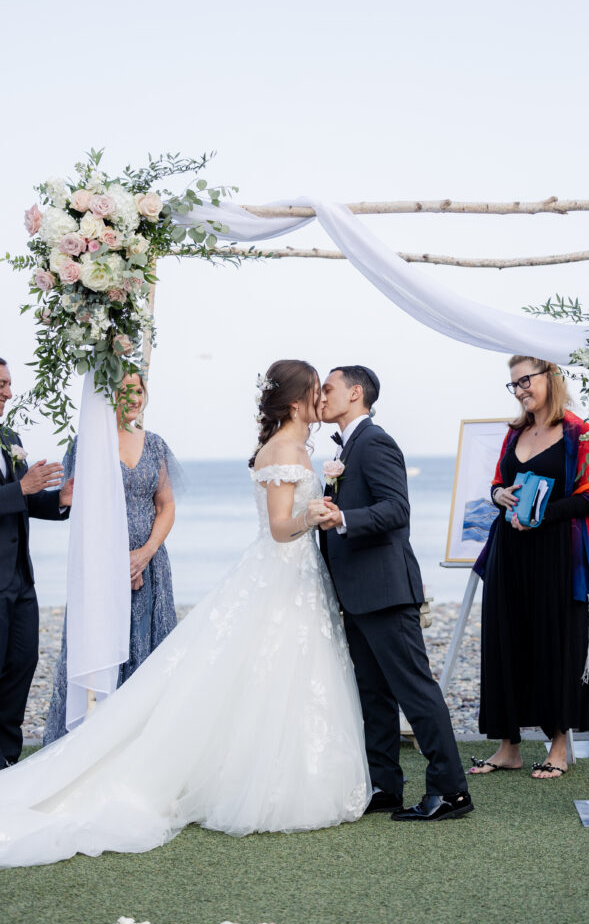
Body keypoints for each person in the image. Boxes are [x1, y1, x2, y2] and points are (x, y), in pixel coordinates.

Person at [0, 359, 370, 868]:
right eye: (316, 392)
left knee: (276, 675)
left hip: (285, 576)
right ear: (295, 400)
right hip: (274, 571)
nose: (321, 400)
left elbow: (168, 504)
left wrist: (147, 551)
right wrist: (312, 514)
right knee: (269, 671)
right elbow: (282, 526)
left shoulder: (295, 448)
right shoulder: (285, 450)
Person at [319, 365, 472, 822]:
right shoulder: (348, 447)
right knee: (373, 695)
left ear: (355, 393)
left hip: (385, 591)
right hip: (356, 594)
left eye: (329, 389)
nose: (321, 397)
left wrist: (342, 519)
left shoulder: (375, 442)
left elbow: (395, 508)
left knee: (415, 692)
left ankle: (451, 792)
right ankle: (384, 785)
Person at [469, 356, 589, 780]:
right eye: (513, 384)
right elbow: (496, 483)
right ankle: (508, 746)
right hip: (509, 551)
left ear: (551, 377)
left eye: (525, 380)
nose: (520, 389)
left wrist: (540, 513)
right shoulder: (514, 433)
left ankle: (559, 744)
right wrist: (499, 497)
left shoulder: (579, 433)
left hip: (557, 553)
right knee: (505, 640)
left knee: (556, 642)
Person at [43, 372, 180, 743]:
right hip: (102, 571)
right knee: (105, 654)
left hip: (151, 569)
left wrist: (144, 555)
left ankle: (146, 747)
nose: (133, 397)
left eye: (138, 389)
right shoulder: (87, 445)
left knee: (151, 658)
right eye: (124, 390)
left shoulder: (154, 445)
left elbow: (166, 506)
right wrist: (119, 562)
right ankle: (95, 745)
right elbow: (83, 513)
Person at [0, 357, 73, 770]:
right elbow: (16, 491)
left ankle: (8, 759)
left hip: (20, 580)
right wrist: (19, 488)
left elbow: (24, 499)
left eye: (9, 383)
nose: (9, 392)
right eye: (1, 383)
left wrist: (58, 499)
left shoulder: (8, 435)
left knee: (22, 664)